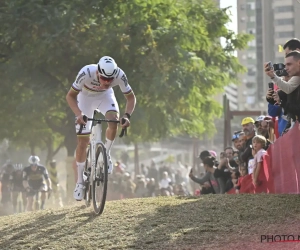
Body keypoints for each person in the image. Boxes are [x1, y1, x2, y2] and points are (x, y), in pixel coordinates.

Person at [66, 56, 136, 201]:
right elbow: (70, 96)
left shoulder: (119, 75)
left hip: (105, 98)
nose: (107, 82)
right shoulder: (86, 72)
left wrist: (127, 115)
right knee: (82, 142)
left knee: (113, 122)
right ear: (98, 72)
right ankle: (80, 181)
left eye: (110, 80)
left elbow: (131, 98)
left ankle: (106, 153)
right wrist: (79, 114)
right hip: (84, 99)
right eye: (104, 78)